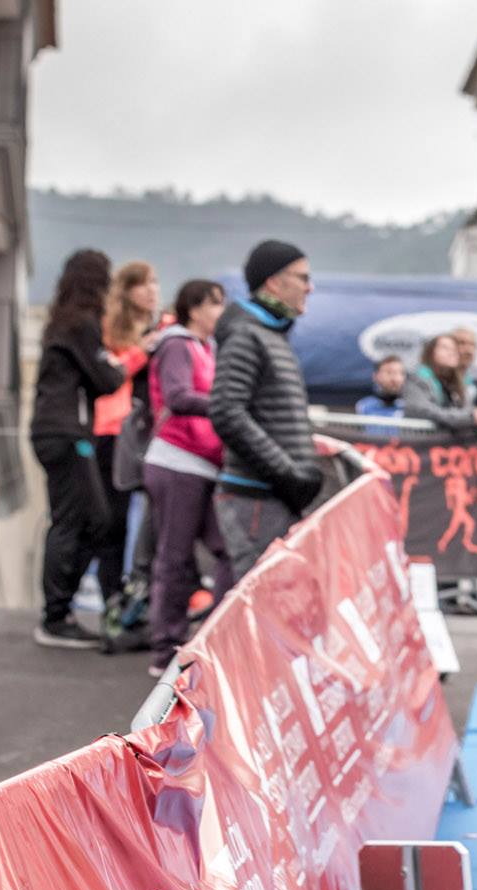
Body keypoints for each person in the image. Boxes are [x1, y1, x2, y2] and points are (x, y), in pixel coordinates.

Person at [209, 239, 324, 572]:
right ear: (274, 282)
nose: (310, 287)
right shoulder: (246, 334)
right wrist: (288, 473)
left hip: (273, 497)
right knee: (262, 596)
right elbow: (226, 411)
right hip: (257, 498)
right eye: (303, 278)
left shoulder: (270, 334)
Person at [30, 249, 126, 648]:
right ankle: (55, 617)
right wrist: (119, 366)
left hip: (55, 431)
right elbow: (107, 380)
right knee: (78, 519)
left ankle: (60, 610)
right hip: (67, 434)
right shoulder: (83, 324)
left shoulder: (62, 322)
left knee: (88, 519)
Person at [142, 279, 235, 676]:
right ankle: (166, 651)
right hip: (178, 463)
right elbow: (178, 396)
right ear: (194, 309)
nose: (221, 312)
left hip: (201, 464)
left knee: (227, 550)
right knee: (175, 558)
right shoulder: (178, 345)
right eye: (215, 304)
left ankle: (210, 643)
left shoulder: (205, 348)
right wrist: (229, 406)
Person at [93, 260, 162, 615]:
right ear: (126, 290)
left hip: (154, 434)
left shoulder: (163, 328)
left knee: (156, 518)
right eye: (142, 283)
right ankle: (113, 599)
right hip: (115, 433)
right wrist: (142, 351)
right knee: (113, 519)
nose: (151, 290)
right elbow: (108, 377)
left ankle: (147, 595)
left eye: (154, 282)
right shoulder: (109, 329)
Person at [403, 335, 477, 431]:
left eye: (455, 350)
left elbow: (465, 410)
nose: (452, 353)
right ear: (430, 352)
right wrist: (469, 417)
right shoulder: (416, 378)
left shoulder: (456, 383)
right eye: (445, 348)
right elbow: (422, 410)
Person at [356, 355, 407, 420]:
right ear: (376, 376)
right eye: (389, 372)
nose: (395, 378)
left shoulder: (411, 408)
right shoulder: (363, 406)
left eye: (400, 373)